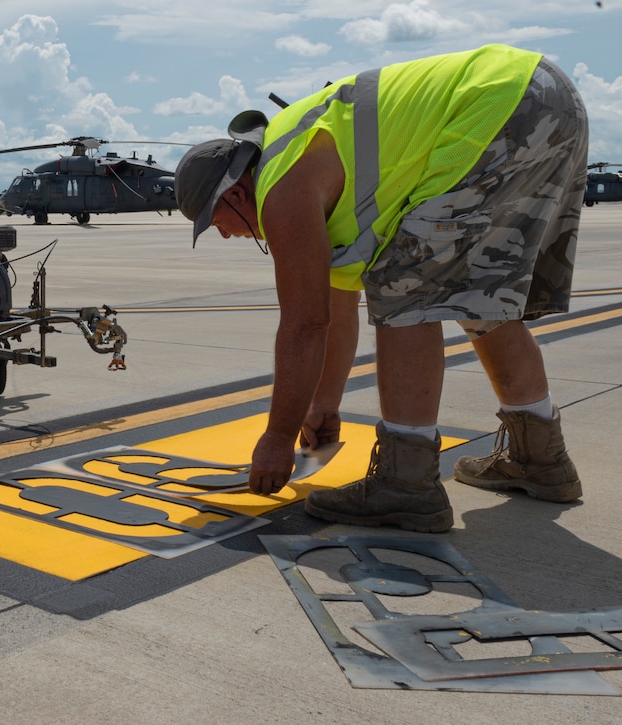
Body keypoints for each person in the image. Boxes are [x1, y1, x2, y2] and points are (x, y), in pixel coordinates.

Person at [174, 44, 588, 533]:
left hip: (493, 108)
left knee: (401, 287)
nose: (224, 233)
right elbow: (334, 309)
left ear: (237, 193)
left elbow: (305, 324)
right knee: (478, 296)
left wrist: (277, 437)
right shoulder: (310, 165)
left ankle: (405, 483)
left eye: (215, 221)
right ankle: (540, 458)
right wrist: (323, 404)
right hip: (541, 95)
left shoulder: (281, 187)